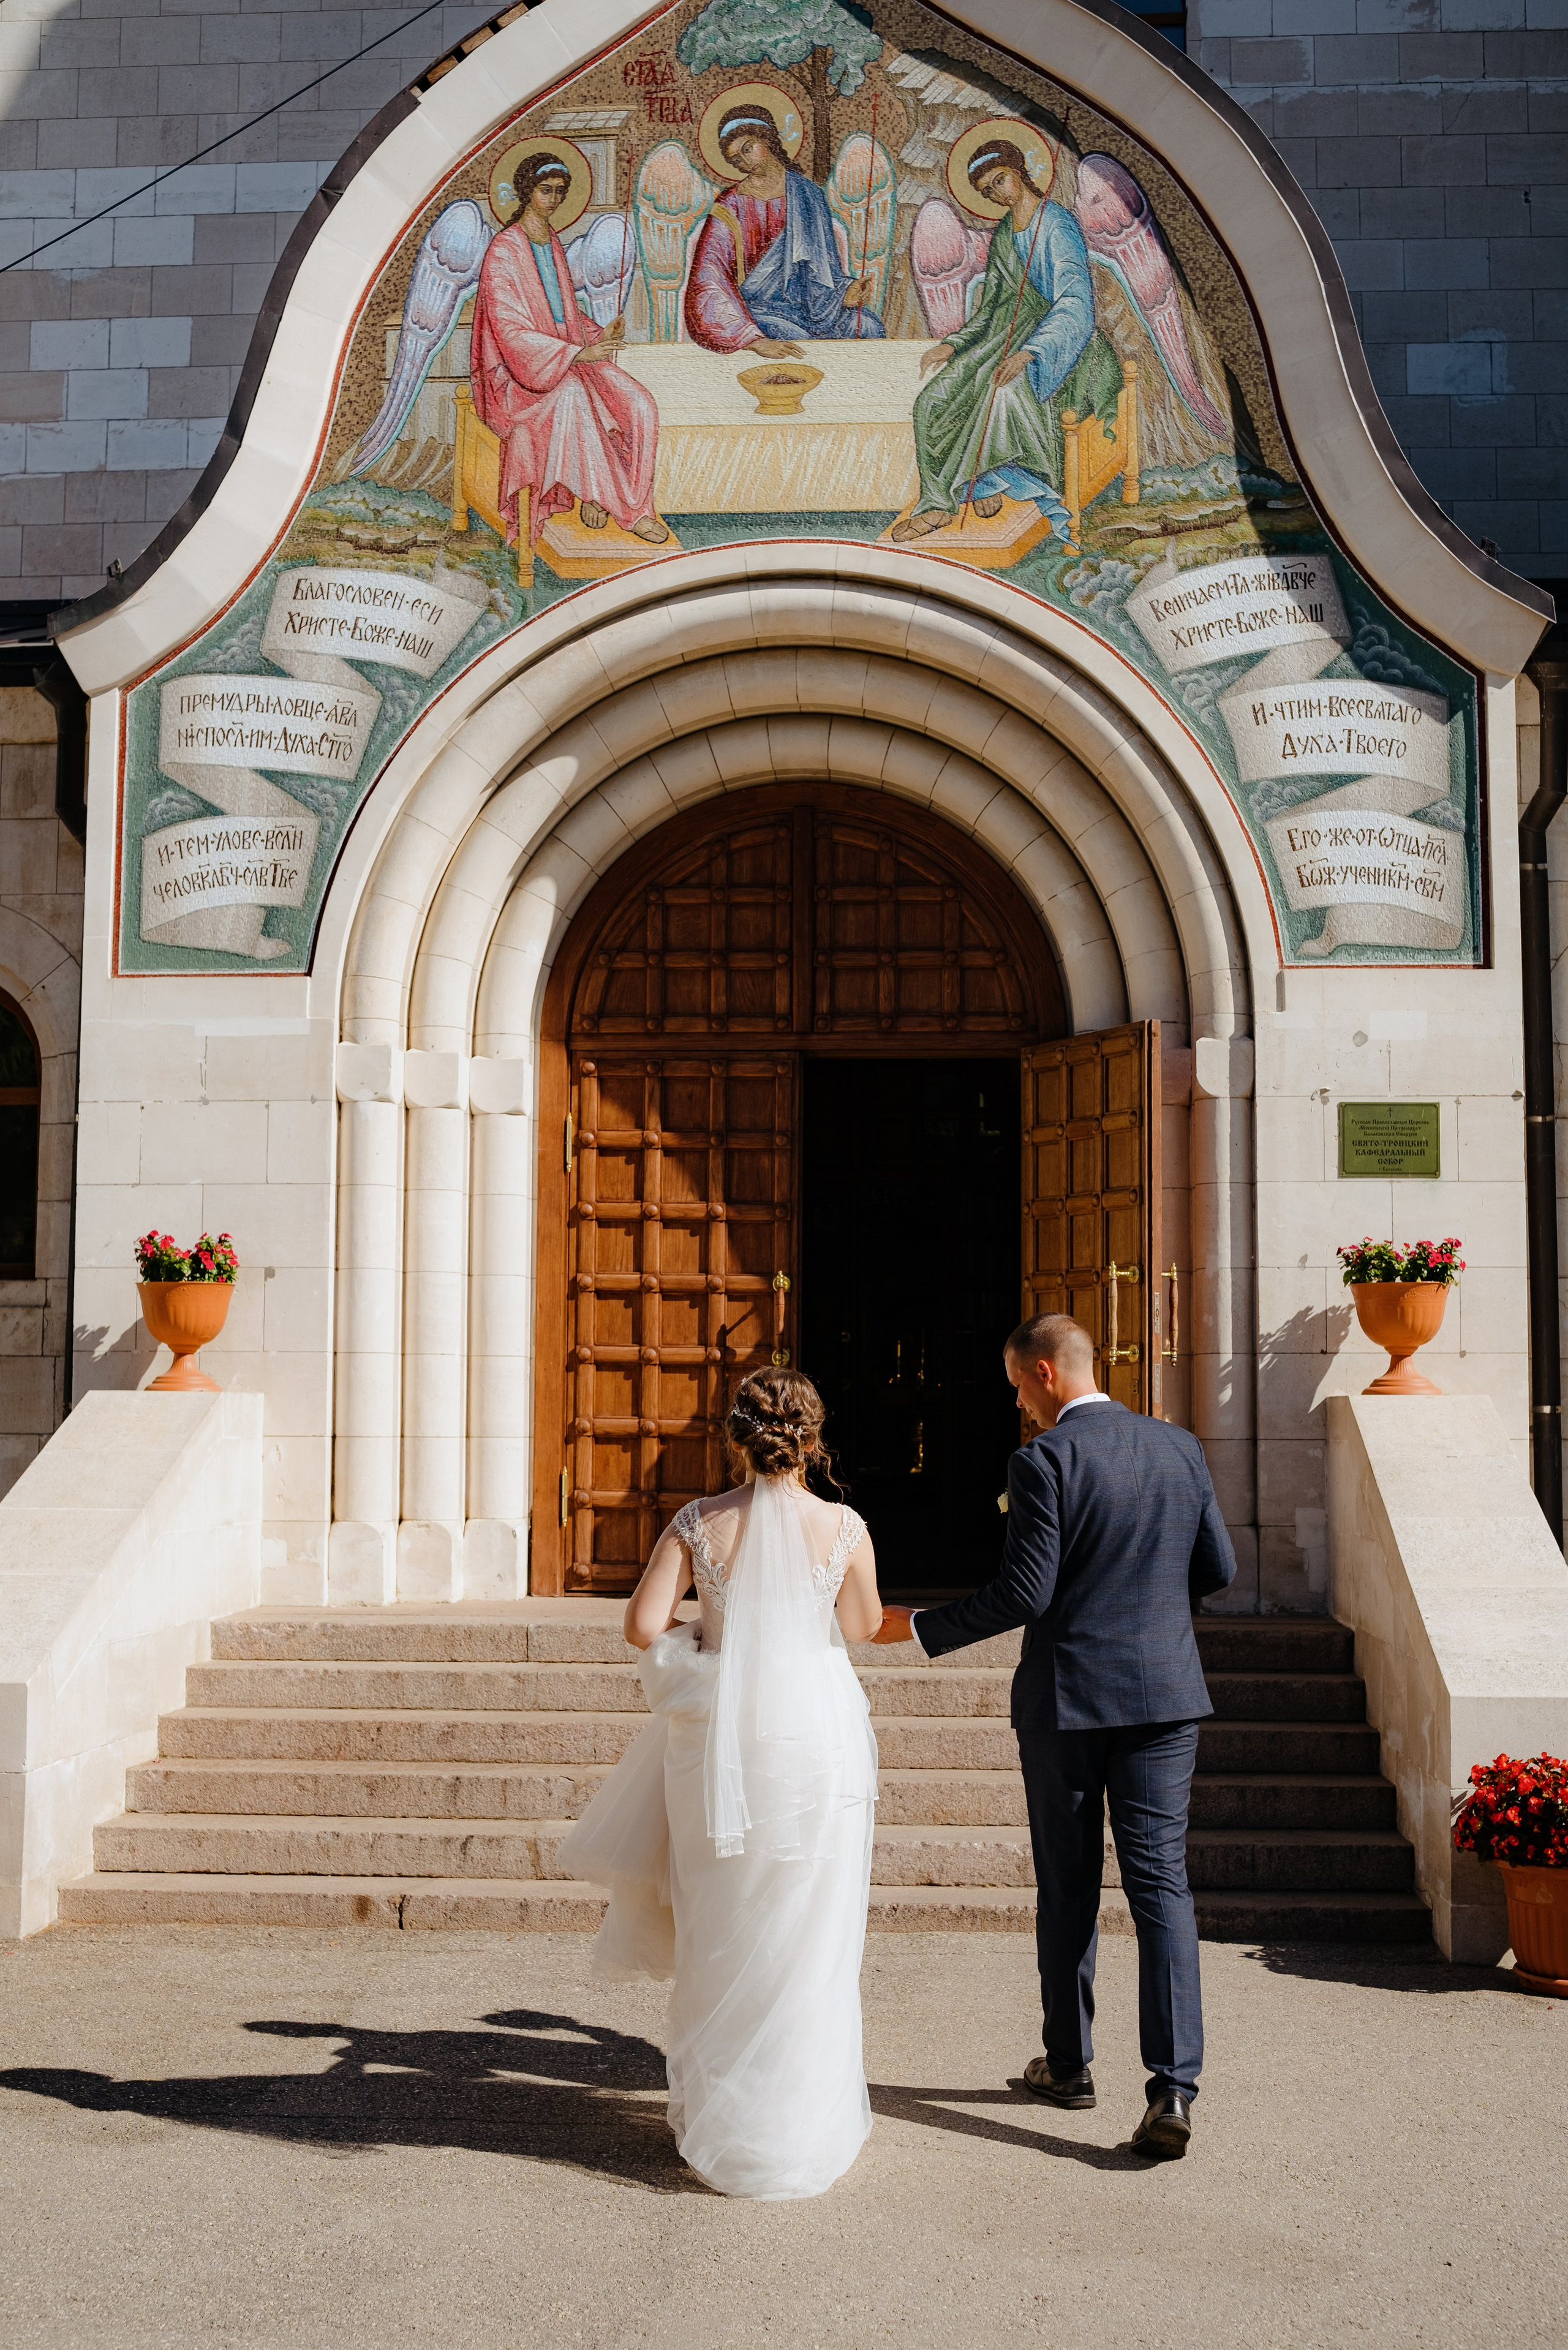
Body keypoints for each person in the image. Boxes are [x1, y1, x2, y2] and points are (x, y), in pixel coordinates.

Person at [873, 1311, 1237, 2158]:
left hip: (1069, 1701)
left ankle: (1069, 2063)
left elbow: (1024, 1593)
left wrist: (920, 1626)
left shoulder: (1045, 1460)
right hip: (1164, 1700)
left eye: (1016, 1390)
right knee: (1162, 1890)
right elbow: (1216, 1568)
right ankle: (1173, 2089)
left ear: (1042, 1372)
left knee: (1068, 1886)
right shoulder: (1180, 1447)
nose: (1020, 1409)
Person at [557, 1368, 883, 2199]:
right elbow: (862, 1626)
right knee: (809, 1931)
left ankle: (727, 2123)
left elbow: (639, 1626)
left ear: (735, 1436)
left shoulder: (697, 1523)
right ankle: (801, 2127)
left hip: (720, 1745)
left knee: (722, 1926)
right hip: (818, 1740)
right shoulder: (844, 1526)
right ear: (811, 1438)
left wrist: (708, 1629)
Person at [891, 140, 1120, 545]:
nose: (998, 193)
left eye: (1000, 180)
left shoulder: (1057, 224)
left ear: (1019, 172)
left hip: (1061, 342)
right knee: (935, 399)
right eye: (988, 191)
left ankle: (984, 483)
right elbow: (993, 304)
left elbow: (1075, 301)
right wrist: (956, 344)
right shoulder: (1003, 235)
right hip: (1004, 334)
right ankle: (939, 500)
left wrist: (1033, 351)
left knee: (1004, 392)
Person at [469, 151, 668, 544]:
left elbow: (562, 316)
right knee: (577, 395)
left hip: (564, 358)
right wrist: (577, 354)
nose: (554, 199)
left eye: (561, 192)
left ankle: (606, 495)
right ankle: (627, 511)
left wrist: (597, 334)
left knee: (638, 402)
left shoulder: (552, 241)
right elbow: (510, 331)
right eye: (547, 191)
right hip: (519, 379)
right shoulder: (504, 249)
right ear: (527, 192)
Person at [684, 106, 885, 354]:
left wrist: (845, 292)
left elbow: (824, 269)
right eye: (736, 159)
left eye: (748, 149)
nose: (745, 162)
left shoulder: (808, 194)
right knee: (800, 342)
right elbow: (709, 273)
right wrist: (751, 339)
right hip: (755, 310)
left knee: (868, 326)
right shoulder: (729, 205)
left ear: (767, 140)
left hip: (811, 307)